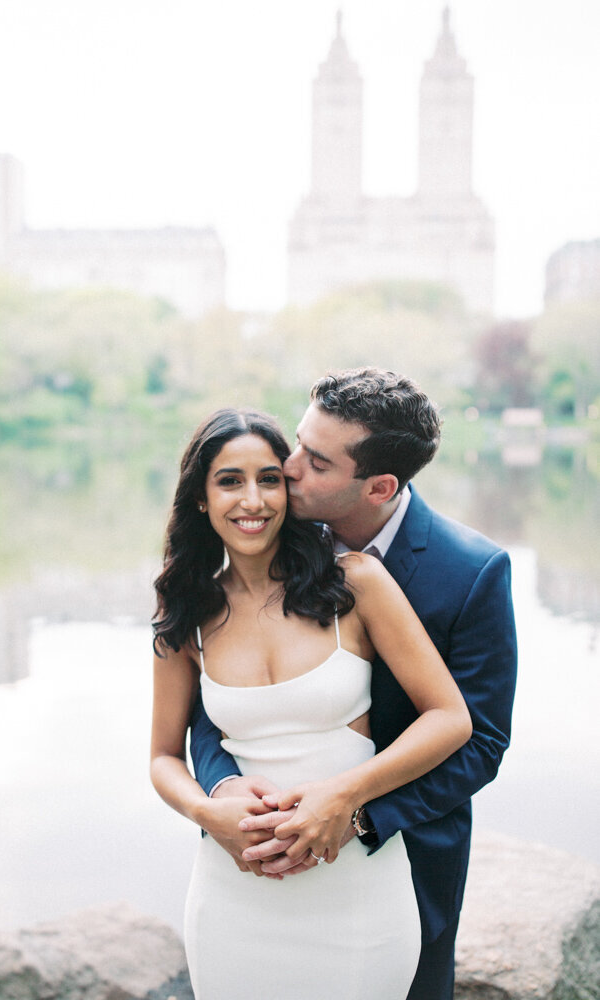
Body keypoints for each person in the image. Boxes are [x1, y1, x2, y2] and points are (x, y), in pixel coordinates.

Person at [189, 370, 518, 1000]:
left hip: (403, 854)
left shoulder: (472, 572)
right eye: (298, 443)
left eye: (315, 461)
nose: (286, 469)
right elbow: (214, 688)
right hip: (255, 855)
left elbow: (481, 743)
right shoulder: (265, 531)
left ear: (379, 486)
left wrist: (357, 814)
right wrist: (222, 789)